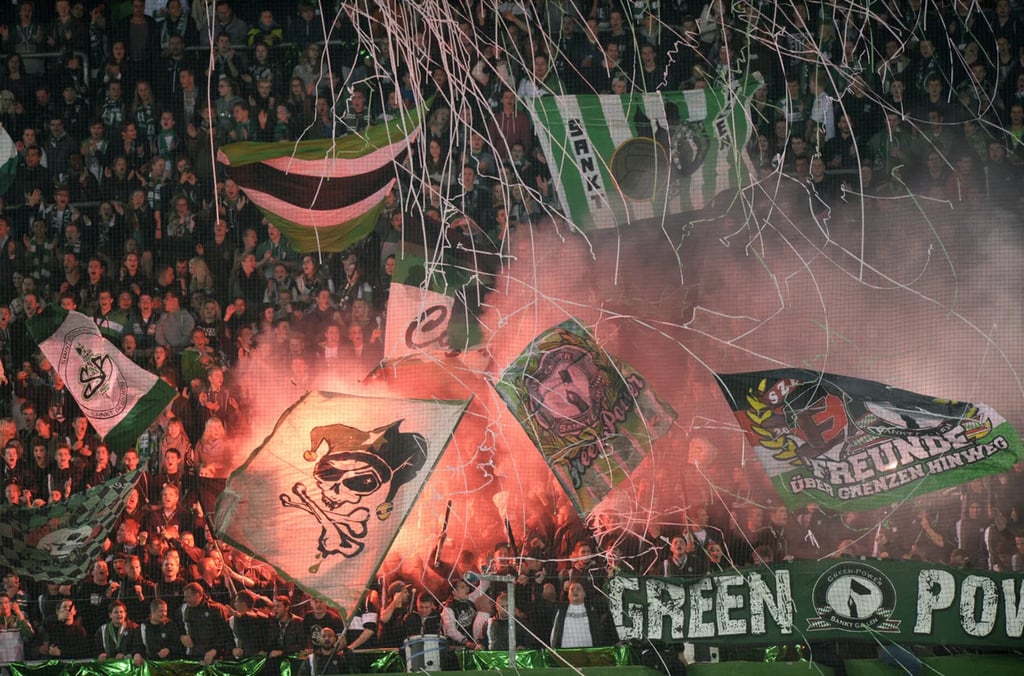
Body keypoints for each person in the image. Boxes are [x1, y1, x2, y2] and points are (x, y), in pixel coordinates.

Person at [549, 582, 613, 648]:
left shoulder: (593, 610)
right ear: (568, 595)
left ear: (584, 593)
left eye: (578, 589)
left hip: (589, 654)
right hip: (565, 654)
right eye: (572, 589)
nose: (575, 590)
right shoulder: (560, 611)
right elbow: (554, 634)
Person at [180, 582, 232, 664]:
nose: (185, 599)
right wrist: (182, 636)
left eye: (188, 597)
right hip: (193, 655)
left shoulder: (216, 609)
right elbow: (176, 626)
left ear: (197, 595)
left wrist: (215, 650)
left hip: (214, 657)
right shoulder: (184, 609)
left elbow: (225, 633)